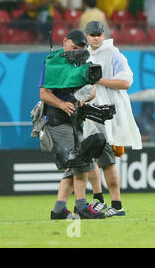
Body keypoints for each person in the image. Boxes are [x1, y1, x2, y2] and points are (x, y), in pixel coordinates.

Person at [39, 29, 106, 220]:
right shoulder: (52, 63)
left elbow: (92, 90)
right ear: (65, 41)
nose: (77, 51)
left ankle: (59, 209)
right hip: (58, 122)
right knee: (81, 161)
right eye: (74, 46)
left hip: (74, 121)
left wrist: (80, 100)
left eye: (80, 48)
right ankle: (82, 206)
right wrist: (62, 104)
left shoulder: (80, 65)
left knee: (74, 165)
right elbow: (44, 93)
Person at [82, 20, 142, 217]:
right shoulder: (84, 55)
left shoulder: (113, 53)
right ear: (87, 36)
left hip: (108, 113)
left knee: (106, 159)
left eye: (99, 34)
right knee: (90, 157)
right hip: (90, 111)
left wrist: (99, 80)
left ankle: (116, 204)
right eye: (92, 34)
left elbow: (126, 81)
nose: (96, 37)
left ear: (104, 34)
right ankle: (98, 199)